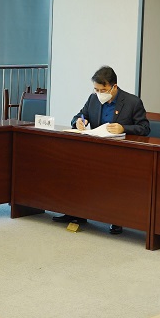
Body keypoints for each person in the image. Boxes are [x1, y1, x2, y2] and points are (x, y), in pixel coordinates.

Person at [57, 65, 151, 235]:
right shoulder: (93, 99)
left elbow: (144, 128)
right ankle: (76, 212)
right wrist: (79, 121)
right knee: (73, 165)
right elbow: (79, 116)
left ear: (114, 87)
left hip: (121, 154)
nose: (99, 93)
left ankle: (116, 218)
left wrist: (124, 128)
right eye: (96, 89)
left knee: (112, 175)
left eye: (103, 90)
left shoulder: (132, 102)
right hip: (95, 151)